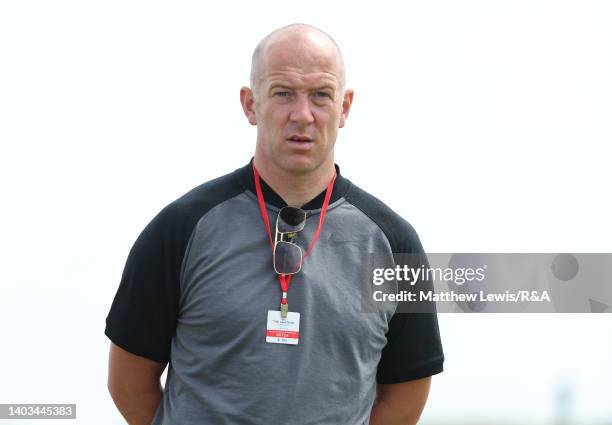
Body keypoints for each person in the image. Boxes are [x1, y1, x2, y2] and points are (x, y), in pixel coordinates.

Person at [105, 23, 444, 425]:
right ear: (250, 104)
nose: (302, 115)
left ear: (345, 107)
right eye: (283, 93)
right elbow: (128, 382)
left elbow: (408, 391)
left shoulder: (394, 242)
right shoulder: (181, 228)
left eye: (321, 95)